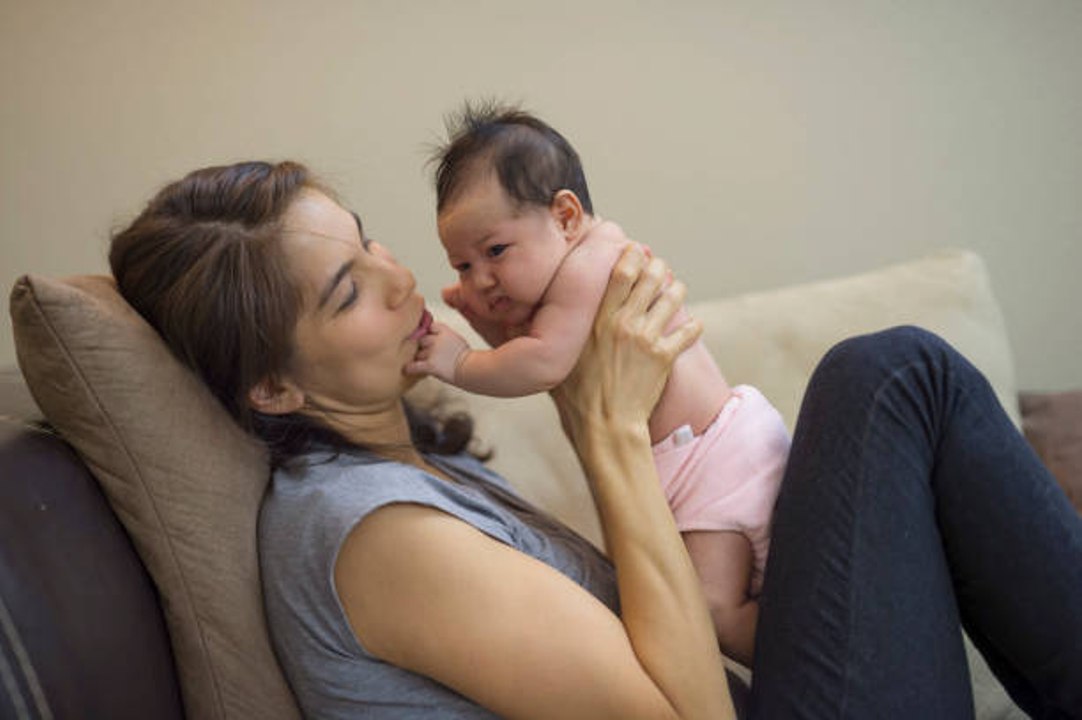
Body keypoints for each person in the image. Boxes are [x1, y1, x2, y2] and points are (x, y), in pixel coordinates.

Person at [109, 160, 1082, 719]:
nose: (400, 277)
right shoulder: (370, 537)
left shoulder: (413, 464)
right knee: (889, 376)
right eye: (348, 290)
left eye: (365, 240)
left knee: (890, 377)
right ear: (273, 385)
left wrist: (576, 380)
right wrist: (611, 427)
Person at [411, 104, 789, 666]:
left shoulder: (590, 264)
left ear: (565, 216)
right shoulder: (569, 275)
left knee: (716, 614)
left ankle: (828, 661)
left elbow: (542, 365)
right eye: (462, 265)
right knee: (743, 599)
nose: (481, 279)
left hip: (712, 460)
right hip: (694, 462)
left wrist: (460, 360)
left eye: (495, 251)